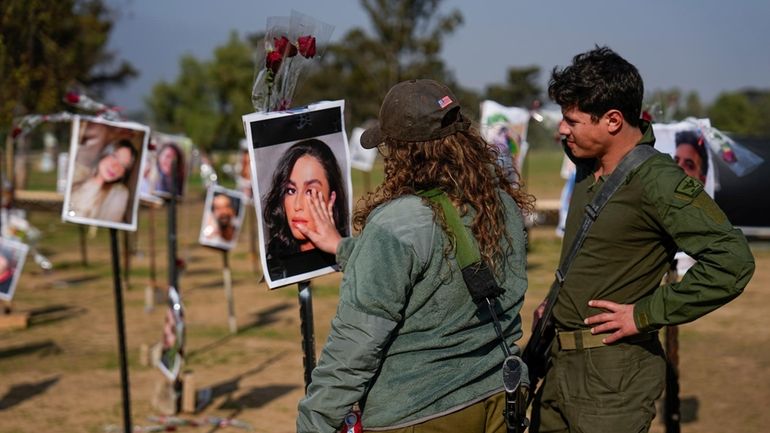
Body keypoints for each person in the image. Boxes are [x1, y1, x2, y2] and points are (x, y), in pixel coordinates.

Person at [530, 46, 755, 433]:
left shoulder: (659, 182)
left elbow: (732, 261)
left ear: (613, 121)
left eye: (571, 120)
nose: (561, 130)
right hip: (556, 366)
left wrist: (645, 313)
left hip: (611, 383)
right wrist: (556, 301)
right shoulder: (587, 168)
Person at [295, 79, 533, 433]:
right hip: (500, 398)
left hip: (422, 413)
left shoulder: (396, 224)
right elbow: (443, 260)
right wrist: (343, 247)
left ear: (402, 152)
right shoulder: (499, 205)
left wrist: (313, 423)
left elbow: (354, 347)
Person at [261, 138, 349, 280]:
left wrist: (339, 247)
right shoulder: (276, 261)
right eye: (291, 190)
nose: (297, 206)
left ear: (331, 198)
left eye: (310, 192)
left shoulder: (350, 261)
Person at [68, 139, 138, 223]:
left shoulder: (119, 193)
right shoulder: (79, 173)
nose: (115, 167)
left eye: (123, 165)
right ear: (105, 153)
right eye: (115, 156)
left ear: (124, 173)